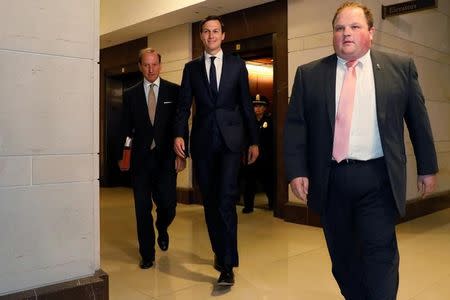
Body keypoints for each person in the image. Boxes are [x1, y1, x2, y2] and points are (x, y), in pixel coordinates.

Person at [284, 2, 438, 299]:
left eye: (354, 27)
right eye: (339, 28)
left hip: (377, 178)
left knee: (380, 255)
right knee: (343, 261)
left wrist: (427, 167)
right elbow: (295, 127)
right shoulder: (310, 74)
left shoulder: (399, 68)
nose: (346, 33)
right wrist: (296, 171)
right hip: (331, 180)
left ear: (371, 32)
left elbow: (418, 121)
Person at [173, 15, 259, 286]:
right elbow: (184, 105)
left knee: (225, 199)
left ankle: (227, 265)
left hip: (232, 143)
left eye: (216, 31)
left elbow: (246, 103)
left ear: (224, 36)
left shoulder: (237, 65)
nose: (211, 36)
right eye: (206, 31)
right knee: (210, 202)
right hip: (203, 143)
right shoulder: (191, 69)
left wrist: (254, 140)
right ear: (201, 36)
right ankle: (219, 252)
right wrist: (179, 134)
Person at [118, 48, 187, 269]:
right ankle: (147, 254)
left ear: (160, 65)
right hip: (140, 161)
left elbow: (181, 124)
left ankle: (163, 226)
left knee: (168, 204)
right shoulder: (130, 94)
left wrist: (182, 154)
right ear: (140, 66)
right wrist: (124, 156)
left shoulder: (174, 92)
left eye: (154, 64)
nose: (150, 69)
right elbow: (125, 129)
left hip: (166, 159)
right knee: (142, 208)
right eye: (146, 65)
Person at [242, 94, 274, 213]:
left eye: (261, 106)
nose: (258, 109)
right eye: (255, 106)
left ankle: (272, 203)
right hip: (251, 158)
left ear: (265, 108)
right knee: (249, 182)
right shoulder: (248, 122)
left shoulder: (270, 120)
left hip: (266, 157)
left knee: (268, 181)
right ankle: (248, 206)